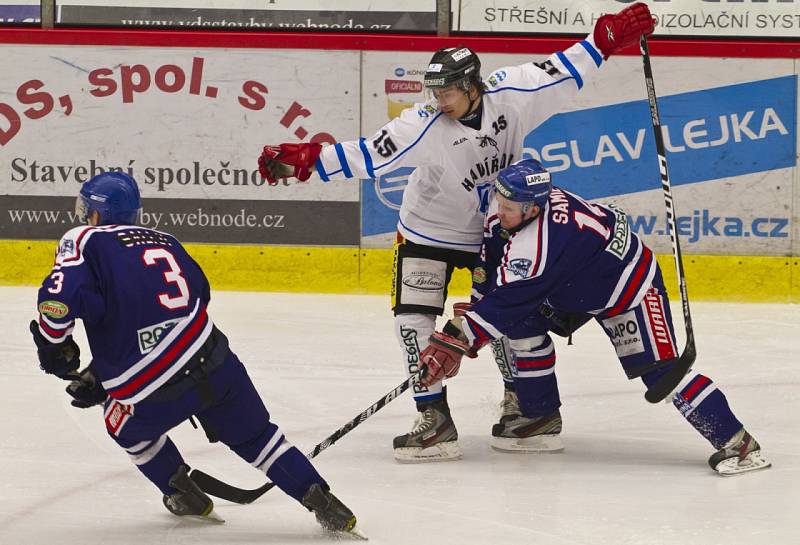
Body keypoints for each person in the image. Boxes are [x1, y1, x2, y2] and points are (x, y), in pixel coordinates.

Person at [256, 3, 657, 462]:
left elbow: (565, 70)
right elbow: (369, 154)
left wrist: (603, 41)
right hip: (427, 232)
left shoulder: (513, 93)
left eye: (447, 93)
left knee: (508, 319)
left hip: (494, 230)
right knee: (412, 323)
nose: (438, 102)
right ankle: (433, 417)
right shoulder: (421, 124)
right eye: (434, 93)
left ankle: (526, 408)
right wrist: (307, 160)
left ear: (472, 86)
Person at [30, 171, 365, 536]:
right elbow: (197, 295)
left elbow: (58, 299)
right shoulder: (166, 239)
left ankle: (182, 493)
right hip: (216, 360)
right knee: (259, 438)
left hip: (152, 389)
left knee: (122, 426)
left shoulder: (83, 239)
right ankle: (327, 505)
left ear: (95, 212)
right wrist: (104, 369)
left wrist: (54, 343)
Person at [416, 158, 771, 476]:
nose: (500, 211)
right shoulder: (512, 212)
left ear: (533, 209)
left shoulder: (542, 242)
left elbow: (512, 297)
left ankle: (737, 442)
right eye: (500, 201)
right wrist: (471, 314)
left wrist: (461, 336)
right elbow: (491, 268)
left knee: (661, 374)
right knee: (520, 325)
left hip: (628, 289)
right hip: (572, 285)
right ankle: (539, 417)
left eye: (510, 207)